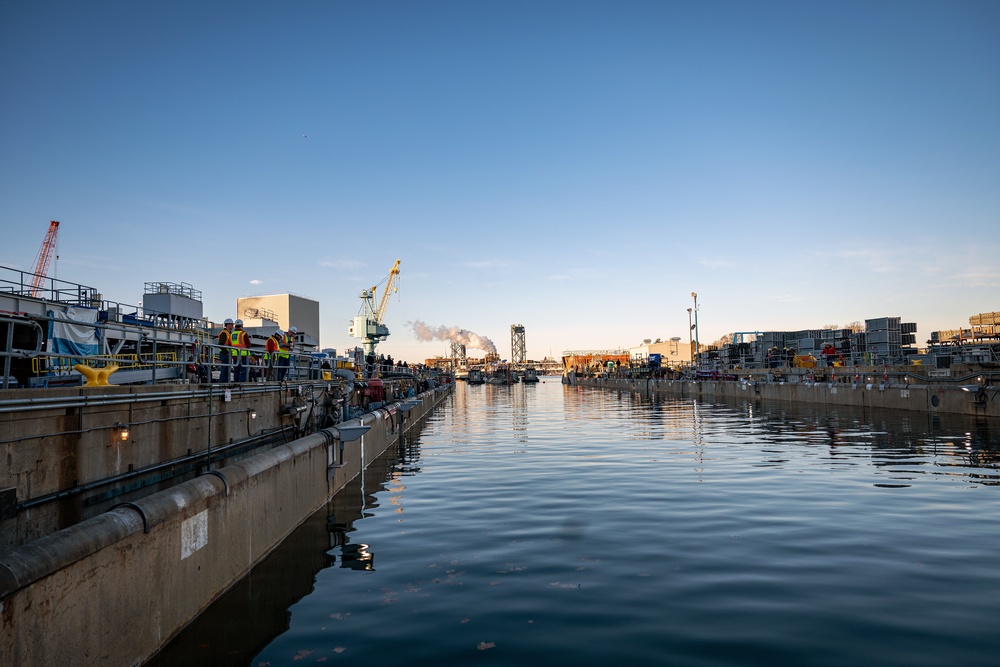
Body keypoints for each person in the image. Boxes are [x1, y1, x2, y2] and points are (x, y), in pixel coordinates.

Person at [218, 318, 235, 382]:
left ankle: (226, 382)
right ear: (228, 325)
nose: (232, 326)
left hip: (227, 353)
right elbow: (221, 344)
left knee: (227, 369)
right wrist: (227, 352)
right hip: (224, 353)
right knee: (225, 369)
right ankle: (221, 383)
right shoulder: (224, 333)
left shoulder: (229, 333)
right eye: (231, 324)